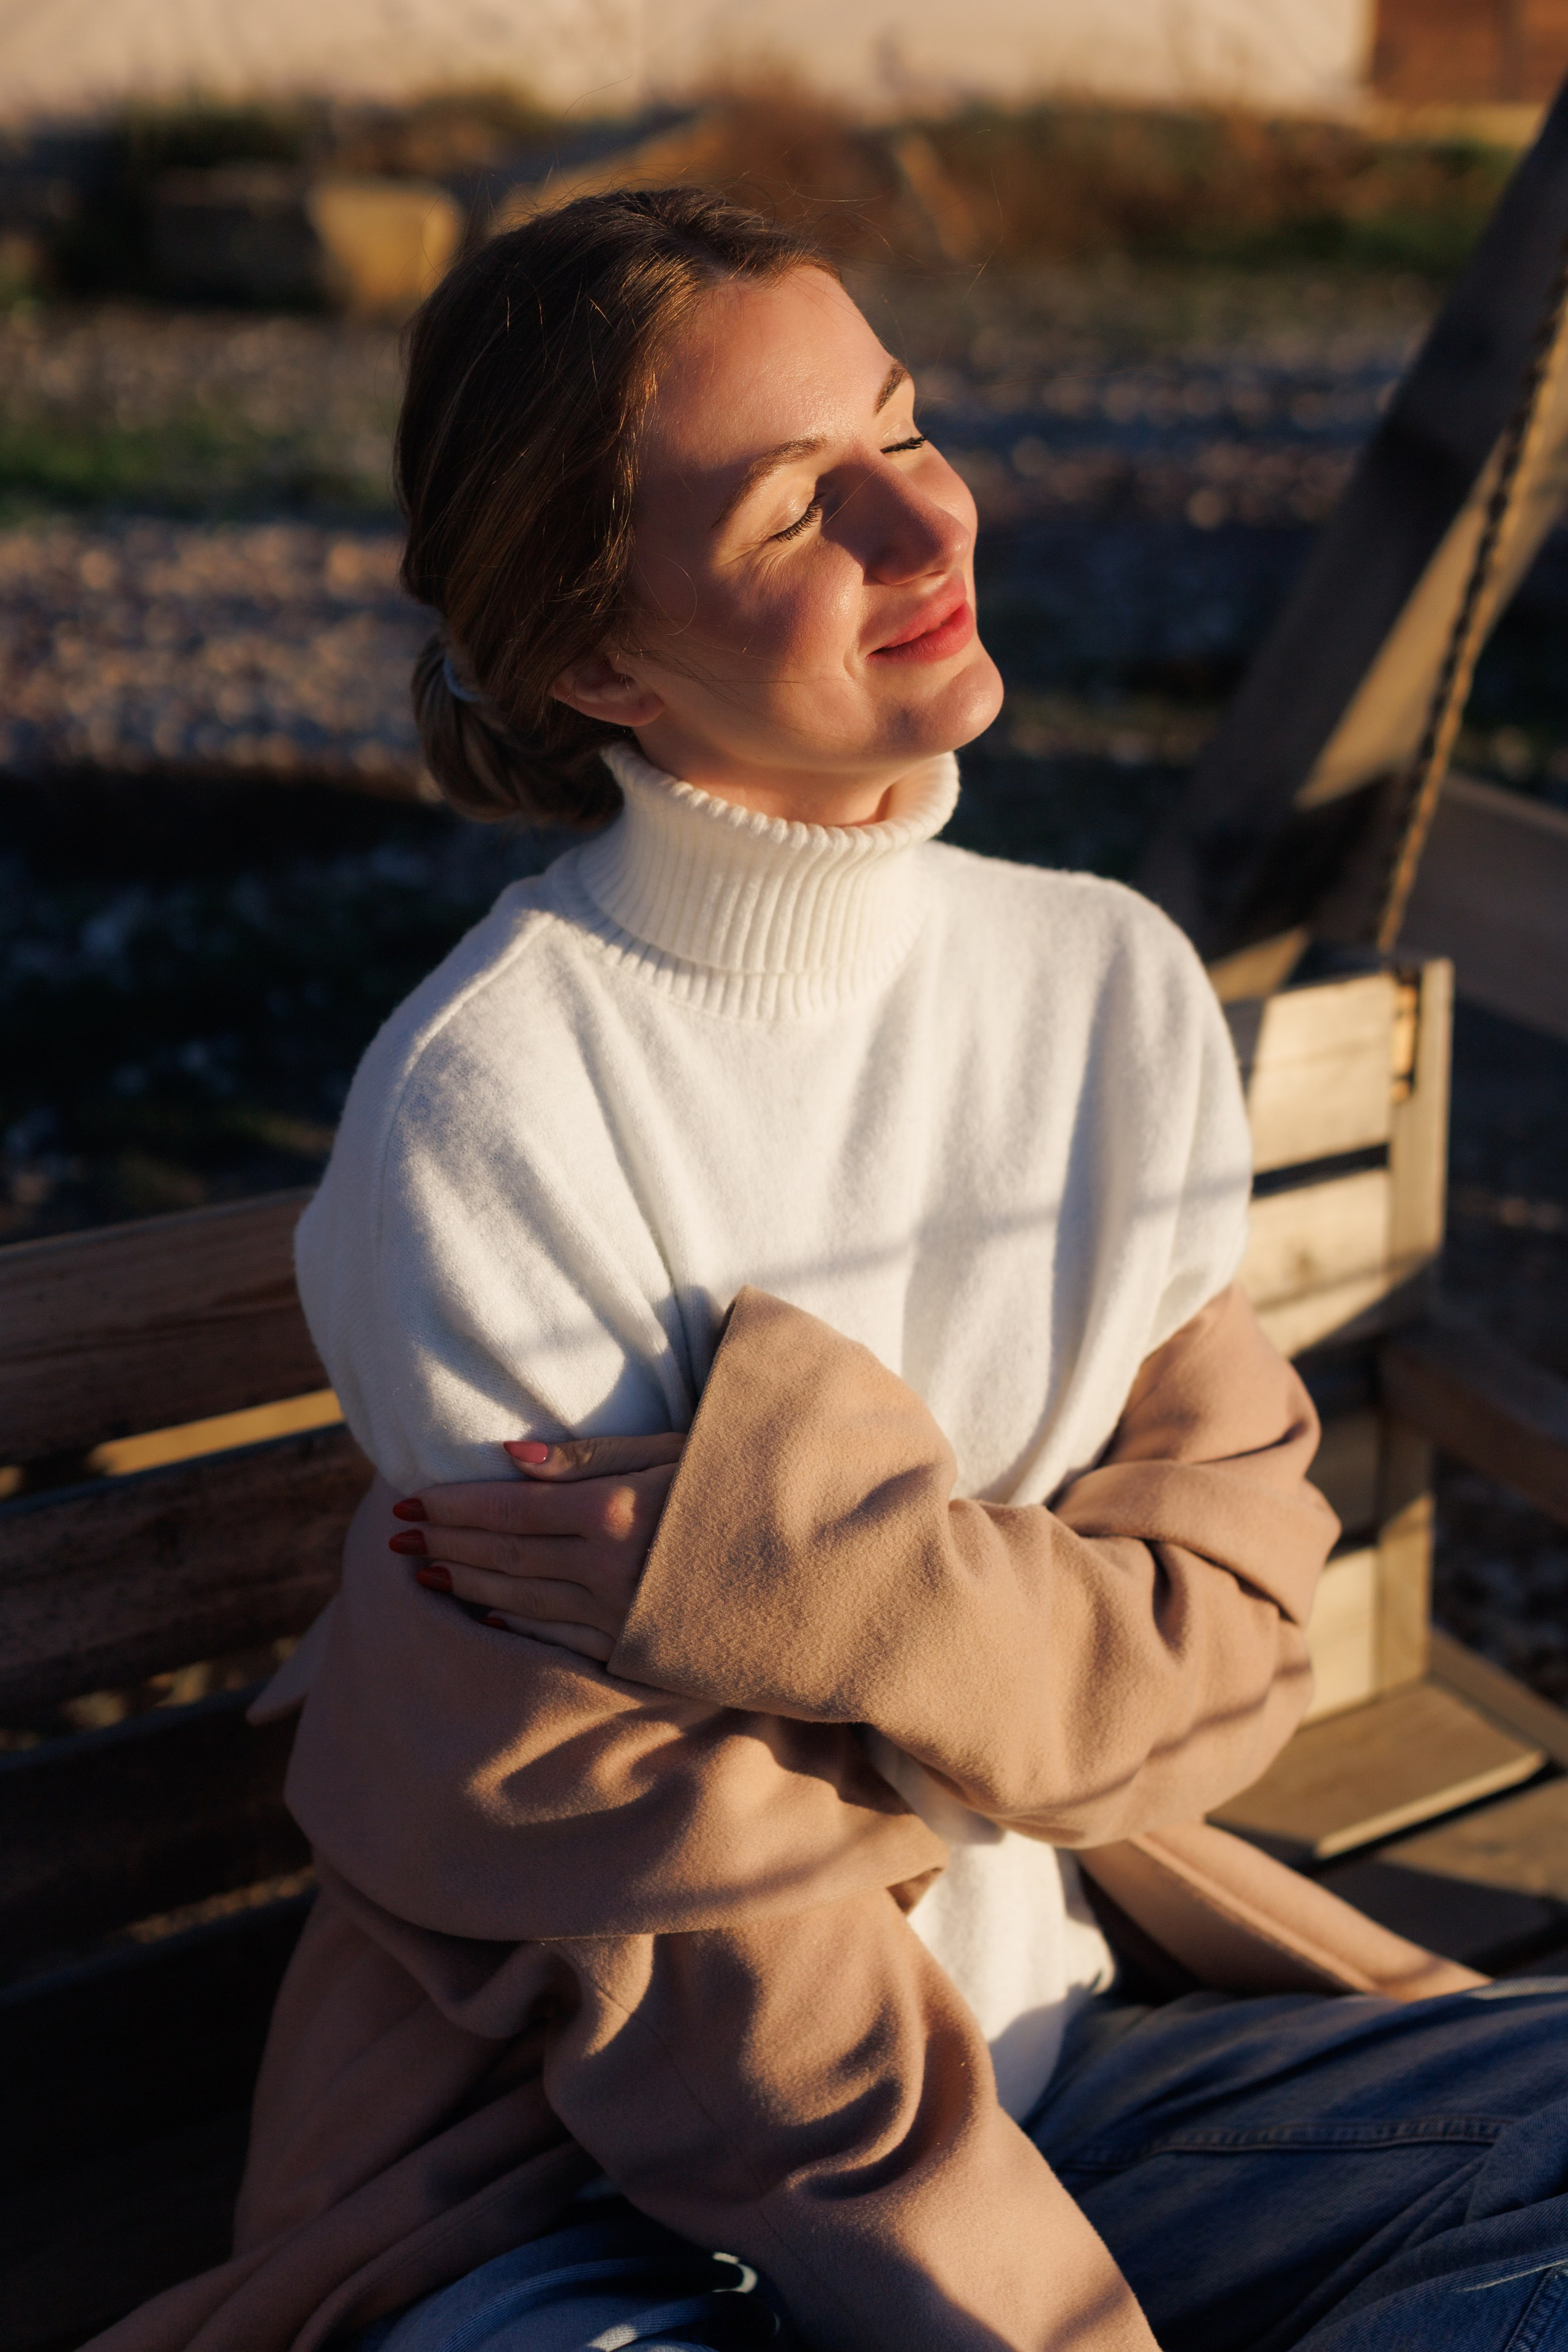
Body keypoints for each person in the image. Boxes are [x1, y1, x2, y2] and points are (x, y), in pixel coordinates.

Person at [94, 190, 1568, 2352]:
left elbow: (1241, 1643)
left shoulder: (1110, 990)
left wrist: (830, 1582)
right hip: (573, 2188)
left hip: (1075, 2073)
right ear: (598, 658)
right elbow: (697, 1942)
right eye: (801, 503)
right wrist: (1053, 1687)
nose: (923, 515)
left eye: (907, 420)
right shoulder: (498, 1112)